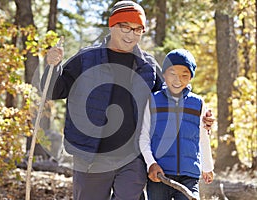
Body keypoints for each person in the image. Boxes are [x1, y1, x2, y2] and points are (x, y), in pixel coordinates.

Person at [41, 1, 214, 199]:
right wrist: (53, 67)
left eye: (138, 29)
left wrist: (202, 117)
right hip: (91, 157)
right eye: (125, 27)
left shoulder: (148, 65)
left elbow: (170, 100)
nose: (131, 35)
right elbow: (54, 90)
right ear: (112, 25)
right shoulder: (87, 58)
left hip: (132, 158)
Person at [139, 49, 214, 200]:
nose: (177, 79)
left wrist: (207, 167)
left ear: (191, 77)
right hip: (160, 175)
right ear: (164, 75)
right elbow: (144, 137)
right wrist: (151, 164)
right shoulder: (153, 101)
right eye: (172, 73)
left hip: (189, 175)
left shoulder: (197, 103)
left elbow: (202, 136)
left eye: (184, 75)